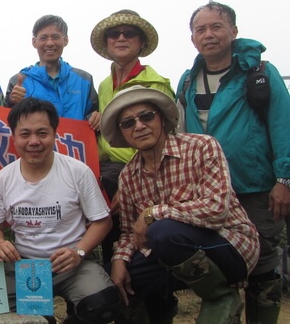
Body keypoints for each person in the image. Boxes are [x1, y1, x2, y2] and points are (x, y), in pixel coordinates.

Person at [100, 86, 260, 323]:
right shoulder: (128, 175)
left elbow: (217, 209)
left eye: (146, 116)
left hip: (228, 245)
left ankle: (220, 297)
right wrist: (119, 261)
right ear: (122, 133)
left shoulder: (202, 147)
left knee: (162, 231)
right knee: (122, 279)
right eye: (128, 123)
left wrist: (153, 213)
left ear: (162, 119)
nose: (139, 126)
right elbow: (128, 231)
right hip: (170, 253)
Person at [176, 0, 290, 323]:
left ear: (233, 31)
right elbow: (182, 136)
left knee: (264, 264)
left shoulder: (260, 73)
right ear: (192, 38)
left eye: (216, 27)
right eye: (201, 29)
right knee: (222, 264)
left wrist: (284, 180)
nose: (208, 34)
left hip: (256, 188)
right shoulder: (187, 81)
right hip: (210, 195)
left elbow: (284, 127)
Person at [0, 98, 121, 323]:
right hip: (25, 266)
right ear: (13, 137)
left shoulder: (78, 172)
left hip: (72, 264)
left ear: (55, 134)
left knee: (102, 304)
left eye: (42, 133)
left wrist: (79, 251)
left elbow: (103, 221)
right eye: (25, 134)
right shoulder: (3, 179)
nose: (34, 141)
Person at [89, 9, 174, 263]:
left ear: (141, 42)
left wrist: (128, 181)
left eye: (130, 33)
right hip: (104, 173)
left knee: (144, 235)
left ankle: (156, 299)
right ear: (107, 43)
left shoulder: (155, 83)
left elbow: (164, 138)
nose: (121, 38)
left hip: (142, 171)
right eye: (114, 34)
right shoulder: (104, 85)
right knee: (108, 234)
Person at [5, 15, 100, 129]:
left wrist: (97, 119)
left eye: (55, 37)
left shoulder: (84, 80)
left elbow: (94, 118)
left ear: (65, 40)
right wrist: (11, 101)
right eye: (43, 38)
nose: (49, 43)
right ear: (34, 42)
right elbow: (4, 124)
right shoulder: (18, 81)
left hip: (72, 144)